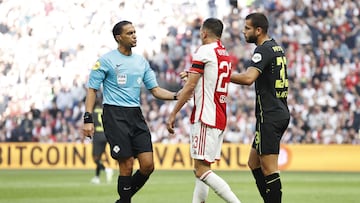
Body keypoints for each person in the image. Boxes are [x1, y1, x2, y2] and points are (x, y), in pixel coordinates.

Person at [82, 20, 179, 203]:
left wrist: (176, 96)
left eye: (135, 32)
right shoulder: (105, 61)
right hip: (114, 115)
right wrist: (88, 119)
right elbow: (92, 90)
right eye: (129, 33)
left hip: (135, 114)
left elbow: (156, 90)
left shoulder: (141, 62)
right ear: (119, 37)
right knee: (126, 165)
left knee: (148, 165)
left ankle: (122, 201)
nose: (134, 35)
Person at [167, 18, 241, 203]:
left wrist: (173, 112)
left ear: (204, 33)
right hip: (219, 114)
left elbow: (190, 87)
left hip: (206, 115)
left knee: (201, 170)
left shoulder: (204, 50)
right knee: (201, 168)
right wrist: (192, 74)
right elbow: (208, 77)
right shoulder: (223, 54)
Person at [230, 13, 290, 203]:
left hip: (270, 116)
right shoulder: (276, 47)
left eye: (247, 28)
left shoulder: (263, 50)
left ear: (258, 30)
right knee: (253, 162)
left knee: (269, 169)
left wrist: (222, 74)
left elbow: (248, 78)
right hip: (277, 111)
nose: (243, 31)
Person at [90, 94, 113, 184]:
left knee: (95, 158)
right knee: (99, 157)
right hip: (105, 135)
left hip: (98, 135)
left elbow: (91, 125)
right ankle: (97, 177)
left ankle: (107, 170)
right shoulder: (104, 111)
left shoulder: (93, 112)